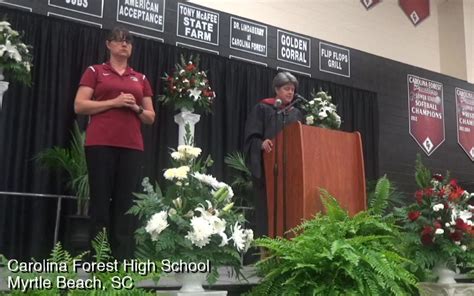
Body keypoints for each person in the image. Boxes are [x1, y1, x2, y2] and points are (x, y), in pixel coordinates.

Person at [74, 27, 155, 260]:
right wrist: (114, 102)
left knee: (125, 204)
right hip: (100, 143)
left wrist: (135, 107)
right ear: (108, 44)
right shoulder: (95, 71)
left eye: (128, 41)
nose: (125, 45)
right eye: (119, 41)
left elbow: (150, 117)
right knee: (100, 202)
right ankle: (99, 260)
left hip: (131, 146)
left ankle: (122, 260)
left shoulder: (140, 78)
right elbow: (79, 105)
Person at [244, 72, 304, 238]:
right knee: (268, 209)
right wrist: (261, 144)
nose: (290, 92)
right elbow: (251, 137)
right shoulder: (263, 108)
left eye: (292, 89)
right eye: (286, 88)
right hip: (268, 170)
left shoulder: (296, 114)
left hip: (291, 171)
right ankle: (267, 249)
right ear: (277, 90)